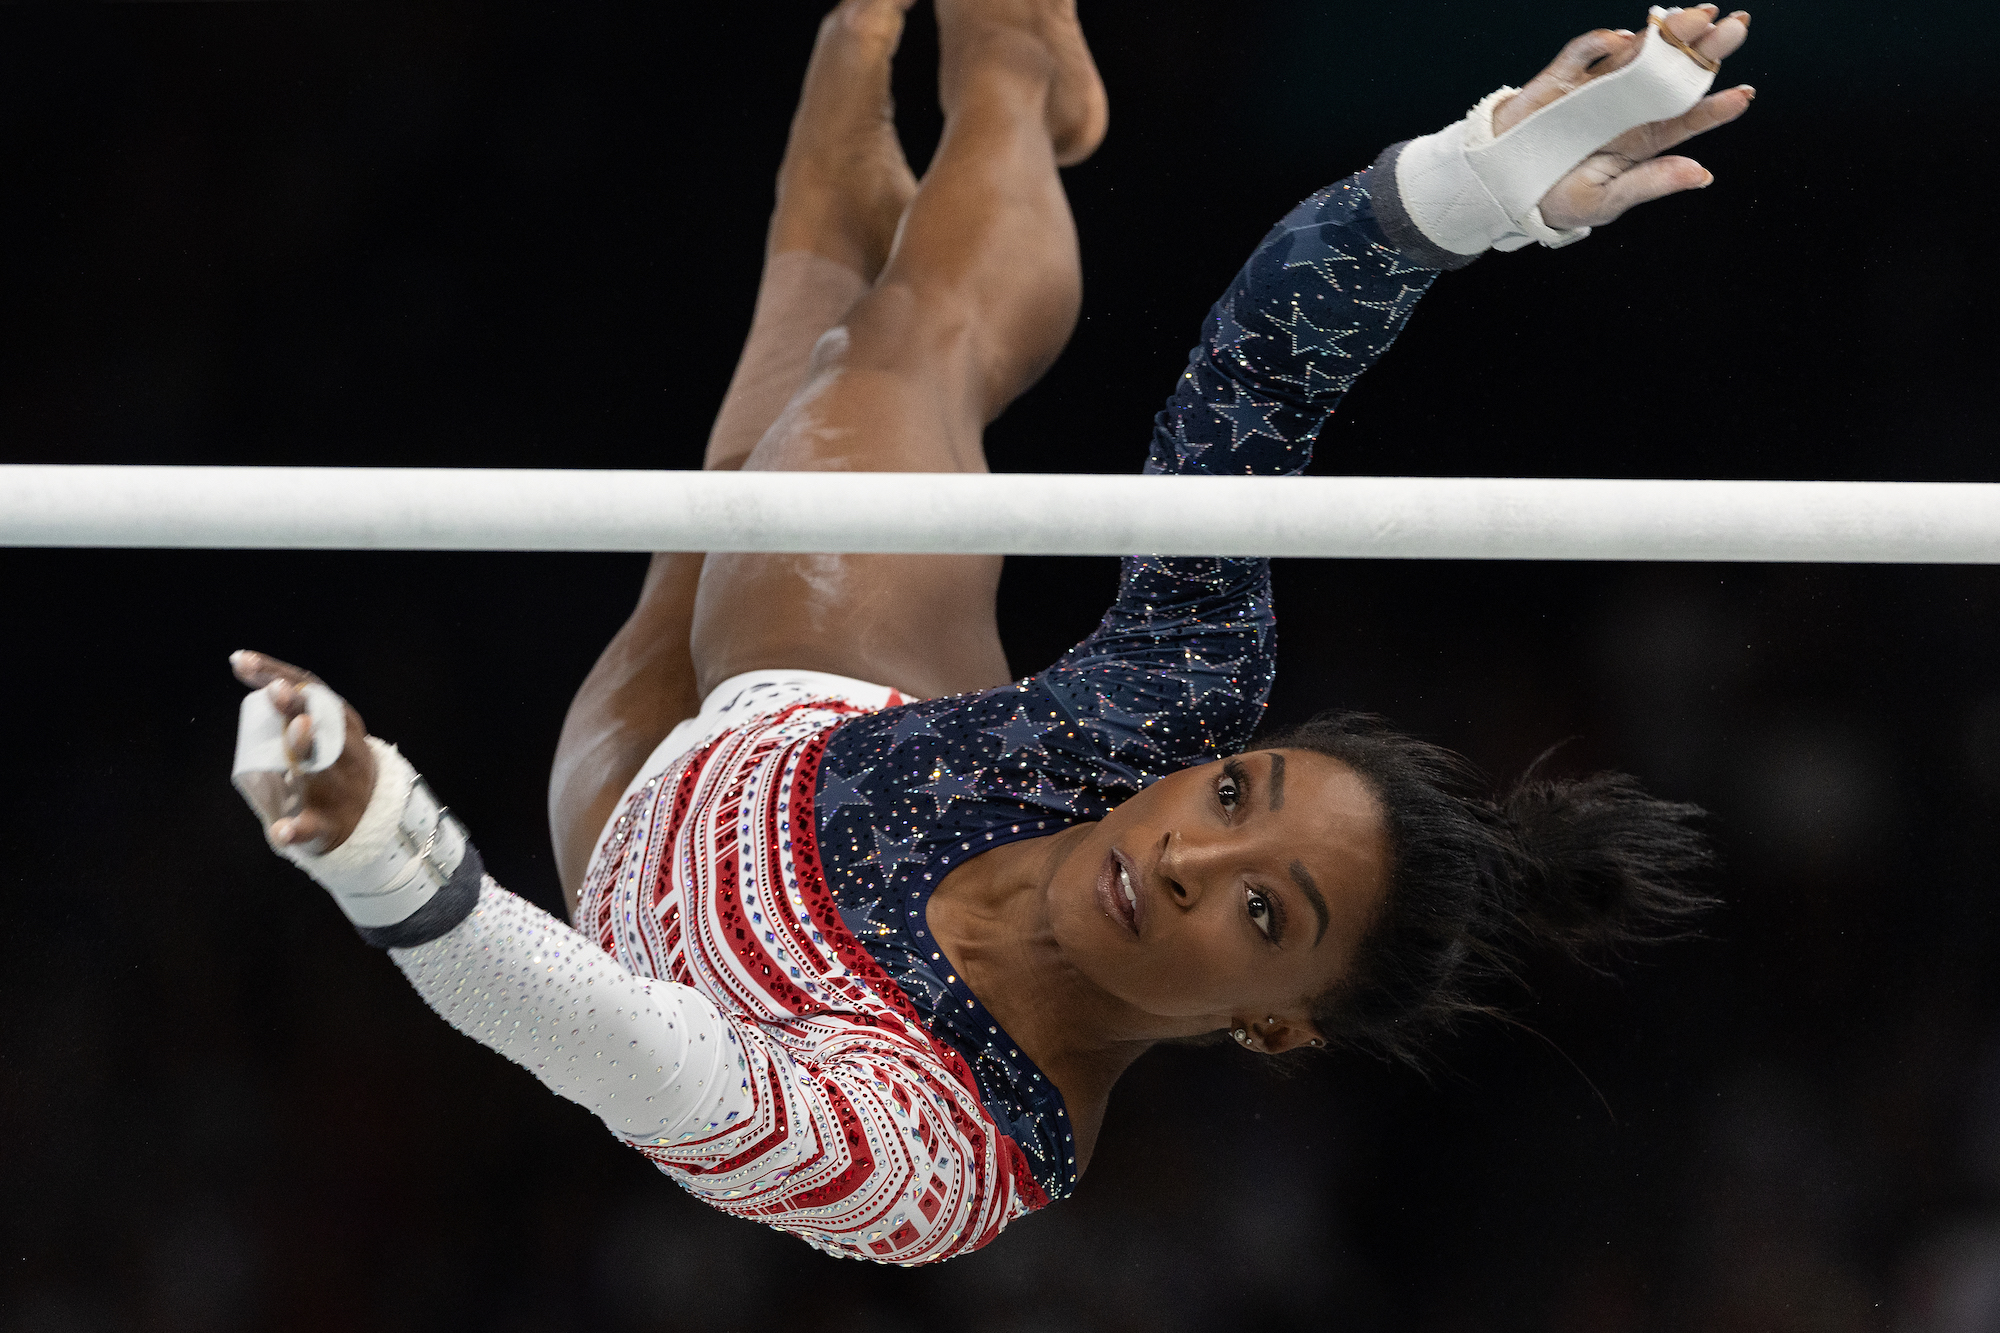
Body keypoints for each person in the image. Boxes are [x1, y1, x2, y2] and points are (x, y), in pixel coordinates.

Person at [230, 0, 1752, 1265]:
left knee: (764, 403)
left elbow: (632, 1052)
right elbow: (1255, 380)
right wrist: (1479, 184)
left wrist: (390, 855)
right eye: (1238, 794)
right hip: (820, 705)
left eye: (1268, 916)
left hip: (632, 857)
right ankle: (1018, 84)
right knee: (904, 346)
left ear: (1274, 1027)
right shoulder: (1168, 710)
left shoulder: (939, 1156)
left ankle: (835, 228)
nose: (1185, 854)